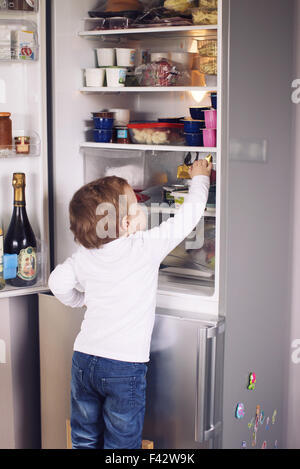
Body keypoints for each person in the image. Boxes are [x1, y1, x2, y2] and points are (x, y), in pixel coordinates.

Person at [48, 159, 212, 450]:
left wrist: (80, 299)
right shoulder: (144, 247)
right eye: (138, 207)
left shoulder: (84, 253)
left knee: (84, 438)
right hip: (124, 368)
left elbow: (56, 283)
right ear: (125, 223)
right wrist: (200, 177)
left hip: (84, 360)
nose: (142, 210)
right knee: (121, 445)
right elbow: (188, 216)